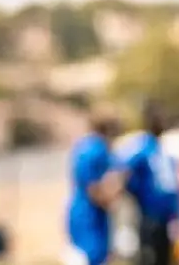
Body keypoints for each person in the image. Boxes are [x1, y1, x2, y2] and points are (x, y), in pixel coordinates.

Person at [113, 101, 179, 265]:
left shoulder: (162, 148)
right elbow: (122, 170)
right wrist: (132, 192)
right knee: (149, 256)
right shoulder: (142, 147)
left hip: (166, 217)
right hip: (149, 216)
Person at [64, 104, 124, 265]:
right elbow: (95, 189)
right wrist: (112, 197)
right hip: (89, 216)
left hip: (87, 214)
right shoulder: (95, 150)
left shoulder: (85, 146)